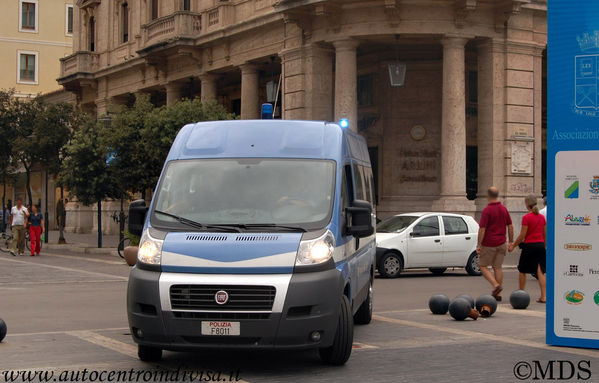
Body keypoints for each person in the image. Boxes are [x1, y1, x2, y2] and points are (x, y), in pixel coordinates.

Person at [476, 186, 513, 301]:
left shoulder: (487, 210)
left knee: (482, 266)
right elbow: (510, 226)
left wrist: (479, 245)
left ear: (488, 195)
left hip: (489, 243)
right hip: (501, 242)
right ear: (497, 195)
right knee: (498, 267)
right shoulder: (503, 209)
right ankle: (498, 294)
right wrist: (510, 241)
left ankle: (496, 285)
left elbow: (482, 229)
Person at [508, 195, 547, 303]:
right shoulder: (542, 217)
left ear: (527, 205)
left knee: (522, 270)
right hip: (540, 245)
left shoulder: (527, 218)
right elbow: (545, 234)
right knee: (541, 271)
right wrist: (543, 246)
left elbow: (522, 235)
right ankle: (543, 296)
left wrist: (513, 245)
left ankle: (521, 294)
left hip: (529, 246)